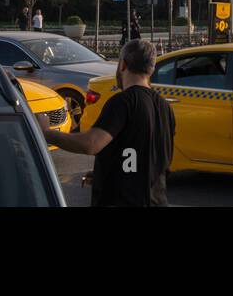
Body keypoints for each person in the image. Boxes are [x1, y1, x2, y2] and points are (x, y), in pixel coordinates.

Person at [38, 39, 174, 207]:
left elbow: (91, 144)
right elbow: (148, 155)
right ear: (151, 69)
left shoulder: (123, 102)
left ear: (123, 65)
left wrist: (46, 132)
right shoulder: (165, 107)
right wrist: (105, 170)